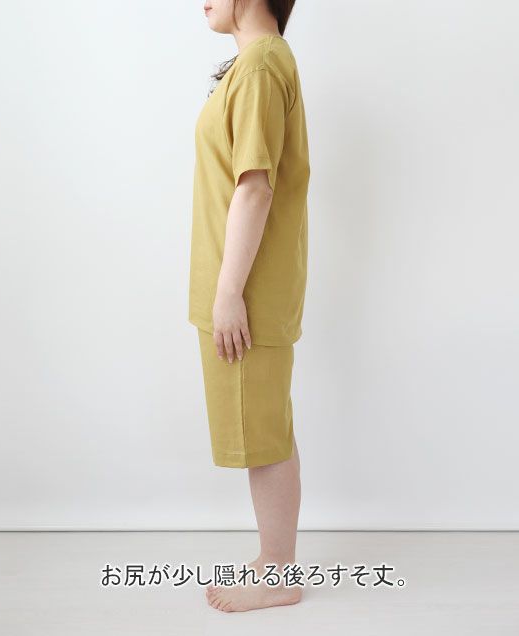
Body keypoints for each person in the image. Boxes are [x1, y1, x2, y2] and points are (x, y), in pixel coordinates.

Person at [188, 0, 310, 612]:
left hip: (247, 292)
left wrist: (230, 291)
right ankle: (273, 557)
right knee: (265, 426)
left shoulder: (260, 67)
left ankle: (279, 573)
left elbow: (254, 188)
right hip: (242, 288)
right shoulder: (257, 64)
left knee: (262, 433)